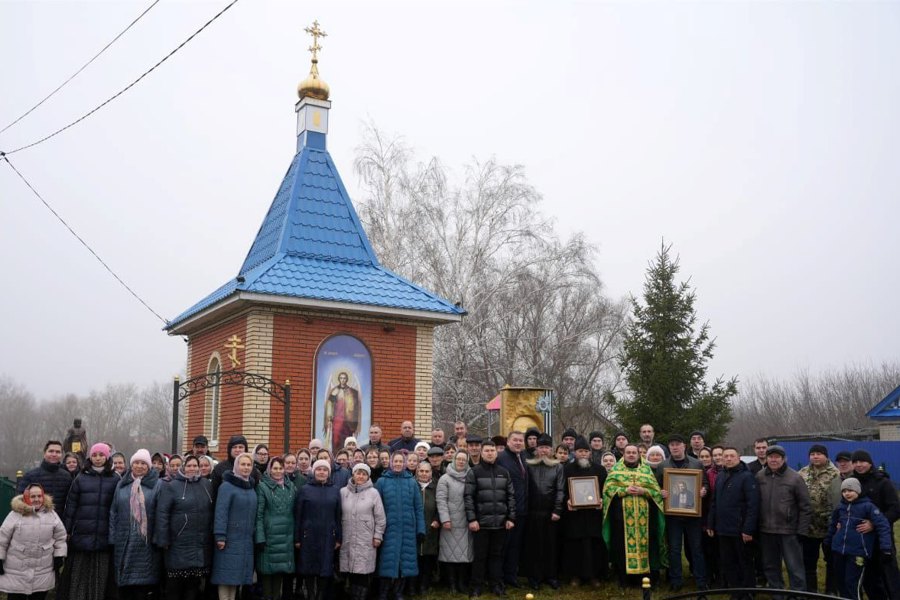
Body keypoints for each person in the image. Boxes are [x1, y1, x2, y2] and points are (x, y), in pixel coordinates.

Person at [61, 442, 119, 600]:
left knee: (100, 576)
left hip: (104, 536)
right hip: (82, 535)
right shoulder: (81, 477)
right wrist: (67, 529)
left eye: (101, 455)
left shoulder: (115, 479)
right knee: (79, 576)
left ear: (107, 457)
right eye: (94, 455)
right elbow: (71, 505)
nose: (98, 458)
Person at [602, 444, 666, 588]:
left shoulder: (646, 471)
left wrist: (644, 491)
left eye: (634, 453)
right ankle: (624, 580)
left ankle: (644, 579)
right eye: (628, 452)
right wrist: (623, 490)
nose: (631, 455)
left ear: (639, 455)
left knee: (647, 547)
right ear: (623, 455)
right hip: (621, 519)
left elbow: (656, 492)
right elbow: (607, 490)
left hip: (645, 520)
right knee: (621, 547)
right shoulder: (615, 471)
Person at [155, 454, 214, 600]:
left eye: (195, 466)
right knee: (174, 588)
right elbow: (162, 514)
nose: (192, 469)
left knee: (193, 588)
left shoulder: (206, 485)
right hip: (177, 544)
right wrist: (163, 539)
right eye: (189, 466)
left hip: (199, 544)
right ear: (183, 467)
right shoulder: (172, 486)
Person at [825, 477, 894, 599]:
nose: (847, 493)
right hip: (839, 551)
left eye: (850, 490)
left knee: (852, 584)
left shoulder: (868, 507)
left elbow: (883, 526)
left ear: (858, 491)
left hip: (858, 553)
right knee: (840, 582)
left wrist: (886, 548)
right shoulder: (840, 507)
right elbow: (833, 525)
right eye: (844, 491)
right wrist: (828, 542)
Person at [756, 444, 811, 594]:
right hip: (766, 530)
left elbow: (805, 507)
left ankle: (798, 594)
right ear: (766, 459)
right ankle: (777, 593)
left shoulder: (795, 478)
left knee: (794, 566)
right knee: (770, 566)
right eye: (770, 457)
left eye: (777, 457)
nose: (773, 460)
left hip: (789, 531)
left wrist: (802, 530)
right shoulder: (760, 476)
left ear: (784, 458)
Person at [464, 440, 515, 597]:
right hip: (481, 524)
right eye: (486, 450)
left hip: (500, 524)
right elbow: (468, 497)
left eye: (492, 450)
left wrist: (511, 518)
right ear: (481, 452)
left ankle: (496, 585)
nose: (490, 453)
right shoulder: (474, 472)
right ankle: (476, 587)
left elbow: (511, 497)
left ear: (496, 452)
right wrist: (472, 519)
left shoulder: (504, 472)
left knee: (496, 556)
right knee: (479, 557)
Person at [658, 434, 708, 591]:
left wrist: (703, 490)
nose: (674, 447)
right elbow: (656, 485)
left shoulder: (696, 463)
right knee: (674, 549)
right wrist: (661, 492)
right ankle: (676, 580)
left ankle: (701, 581)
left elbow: (705, 482)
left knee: (696, 548)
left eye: (677, 444)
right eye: (671, 444)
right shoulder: (663, 466)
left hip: (693, 514)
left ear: (684, 446)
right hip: (673, 515)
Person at [110, 449, 162, 599]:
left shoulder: (157, 485)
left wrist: (158, 537)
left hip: (146, 542)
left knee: (143, 585)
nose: (139, 466)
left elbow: (161, 514)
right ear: (131, 465)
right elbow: (113, 511)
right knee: (124, 585)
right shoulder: (121, 484)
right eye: (136, 463)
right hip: (123, 540)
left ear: (149, 466)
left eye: (143, 463)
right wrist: (113, 537)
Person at [0, 483, 67, 600]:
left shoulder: (52, 515)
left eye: (39, 496)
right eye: (33, 496)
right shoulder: (15, 515)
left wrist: (59, 556)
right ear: (26, 497)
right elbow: (2, 538)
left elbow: (60, 537)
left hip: (42, 569)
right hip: (17, 569)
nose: (37, 499)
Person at [707, 446, 758, 598]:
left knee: (744, 562)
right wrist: (711, 522)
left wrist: (748, 529)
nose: (728, 459)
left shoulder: (747, 477)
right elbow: (715, 501)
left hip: (740, 530)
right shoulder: (721, 476)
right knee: (728, 562)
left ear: (738, 457)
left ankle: (748, 592)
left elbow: (753, 505)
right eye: (726, 456)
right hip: (723, 529)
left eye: (732, 456)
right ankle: (736, 592)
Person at [851, 449, 900, 597]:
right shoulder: (852, 483)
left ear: (870, 463)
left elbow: (895, 509)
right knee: (869, 579)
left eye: (862, 461)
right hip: (862, 540)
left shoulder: (883, 482)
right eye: (855, 462)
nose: (859, 465)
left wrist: (874, 524)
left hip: (882, 538)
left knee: (889, 576)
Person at [376, 452, 424, 600]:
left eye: (400, 461)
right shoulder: (382, 482)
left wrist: (420, 528)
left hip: (407, 528)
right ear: (391, 463)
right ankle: (383, 592)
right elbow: (376, 507)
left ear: (404, 464)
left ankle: (398, 591)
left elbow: (418, 507)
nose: (397, 464)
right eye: (395, 461)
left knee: (404, 562)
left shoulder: (411, 482)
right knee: (387, 560)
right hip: (388, 529)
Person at [560, 436, 607, 587]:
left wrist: (601, 501)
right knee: (575, 545)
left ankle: (594, 576)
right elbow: (561, 490)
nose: (583, 454)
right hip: (574, 515)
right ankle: (575, 576)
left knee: (594, 544)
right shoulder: (567, 469)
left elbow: (605, 490)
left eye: (586, 451)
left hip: (594, 515)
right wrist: (567, 499)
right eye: (580, 451)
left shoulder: (599, 470)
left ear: (590, 453)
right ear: (575, 452)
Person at [212, 453, 257, 600]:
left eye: (248, 465)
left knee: (237, 578)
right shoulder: (227, 486)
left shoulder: (251, 487)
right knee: (226, 577)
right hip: (228, 540)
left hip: (245, 540)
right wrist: (220, 536)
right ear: (236, 466)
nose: (246, 467)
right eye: (243, 464)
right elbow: (221, 512)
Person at [295, 459, 342, 600]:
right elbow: (298, 515)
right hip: (308, 536)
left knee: (325, 568)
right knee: (309, 568)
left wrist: (339, 537)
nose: (322, 472)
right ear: (313, 471)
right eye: (319, 469)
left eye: (325, 470)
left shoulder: (335, 490)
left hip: (328, 535)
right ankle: (310, 594)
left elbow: (338, 515)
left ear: (329, 473)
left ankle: (320, 595)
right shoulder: (305, 490)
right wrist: (297, 538)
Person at [797, 443, 841, 594]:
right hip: (809, 527)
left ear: (826, 456)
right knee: (809, 561)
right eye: (812, 454)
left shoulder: (836, 473)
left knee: (832, 561)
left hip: (830, 526)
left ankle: (831, 590)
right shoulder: (802, 473)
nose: (815, 456)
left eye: (819, 454)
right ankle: (810, 591)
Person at [523, 434, 564, 590]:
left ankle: (551, 576)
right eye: (541, 448)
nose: (544, 451)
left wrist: (557, 510)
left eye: (546, 448)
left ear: (551, 450)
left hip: (550, 513)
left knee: (551, 546)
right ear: (536, 449)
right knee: (534, 546)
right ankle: (535, 577)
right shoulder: (529, 465)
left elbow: (560, 490)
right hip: (532, 513)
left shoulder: (558, 467)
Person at [340, 463, 386, 600]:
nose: (360, 476)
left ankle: (360, 596)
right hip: (346, 538)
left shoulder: (373, 493)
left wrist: (378, 536)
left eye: (364, 474)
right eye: (358, 473)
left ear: (368, 476)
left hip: (365, 539)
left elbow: (381, 518)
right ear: (353, 474)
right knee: (347, 571)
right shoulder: (343, 492)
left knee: (362, 573)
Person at [255, 457, 297, 600]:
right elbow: (259, 515)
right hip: (269, 538)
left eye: (280, 468)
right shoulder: (262, 487)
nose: (278, 471)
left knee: (280, 573)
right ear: (269, 469)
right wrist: (260, 537)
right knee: (267, 575)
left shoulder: (291, 486)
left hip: (286, 537)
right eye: (275, 468)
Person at [436, 450, 473, 594]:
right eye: (459, 459)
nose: (461, 462)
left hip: (466, 521)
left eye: (464, 459)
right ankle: (451, 584)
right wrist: (445, 519)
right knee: (450, 554)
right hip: (450, 522)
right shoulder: (445, 479)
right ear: (454, 460)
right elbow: (441, 500)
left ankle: (461, 583)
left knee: (464, 554)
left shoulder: (471, 477)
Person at [496, 430, 529, 588]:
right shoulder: (501, 458)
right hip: (507, 511)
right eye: (515, 440)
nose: (518, 443)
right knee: (504, 546)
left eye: (520, 440)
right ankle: (499, 578)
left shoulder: (523, 457)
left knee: (516, 546)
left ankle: (511, 576)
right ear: (508, 442)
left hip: (522, 510)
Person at [17, 440, 72, 518]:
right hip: (35, 521)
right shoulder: (30, 476)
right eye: (51, 451)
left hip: (60, 522)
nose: (54, 454)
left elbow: (71, 503)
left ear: (61, 455)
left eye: (57, 452)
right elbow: (21, 500)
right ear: (44, 453)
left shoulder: (67, 476)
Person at [414, 462, 440, 595]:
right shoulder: (412, 485)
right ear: (417, 472)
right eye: (421, 471)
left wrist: (437, 519)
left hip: (431, 527)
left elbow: (441, 505)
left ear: (431, 472)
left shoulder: (436, 487)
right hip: (415, 528)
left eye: (427, 471)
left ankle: (425, 584)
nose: (424, 474)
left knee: (428, 557)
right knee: (416, 556)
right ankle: (415, 584)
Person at [325, 371, 361, 453]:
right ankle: (336, 455)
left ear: (347, 379)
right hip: (337, 419)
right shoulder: (335, 391)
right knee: (336, 439)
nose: (343, 380)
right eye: (341, 378)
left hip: (348, 421)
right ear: (339, 379)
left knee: (347, 438)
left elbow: (355, 407)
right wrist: (330, 417)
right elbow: (330, 405)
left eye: (344, 378)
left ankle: (348, 455)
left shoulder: (351, 391)